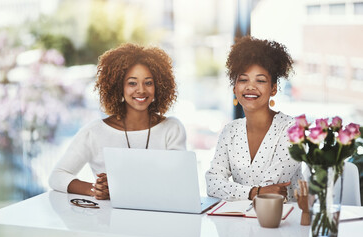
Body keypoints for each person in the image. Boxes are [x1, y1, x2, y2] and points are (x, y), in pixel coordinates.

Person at [49, 43, 186, 200]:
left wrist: (124, 184)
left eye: (148, 82)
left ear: (159, 86)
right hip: (109, 220)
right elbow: (57, 176)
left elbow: (179, 181)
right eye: (132, 83)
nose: (141, 90)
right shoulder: (94, 132)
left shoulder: (171, 129)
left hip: (160, 217)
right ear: (118, 86)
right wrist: (95, 189)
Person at [205, 36, 302, 202]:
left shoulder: (292, 130)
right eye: (243, 80)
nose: (250, 86)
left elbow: (273, 190)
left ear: (273, 89)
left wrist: (243, 192)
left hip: (283, 220)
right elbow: (213, 183)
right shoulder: (230, 131)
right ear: (235, 88)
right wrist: (254, 192)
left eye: (260, 80)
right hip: (239, 220)